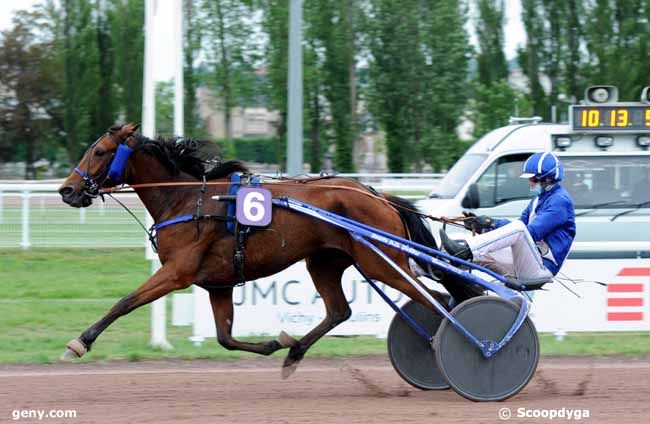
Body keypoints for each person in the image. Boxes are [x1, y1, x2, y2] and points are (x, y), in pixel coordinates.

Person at [440, 152, 576, 284]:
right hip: (529, 259)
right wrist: (486, 227)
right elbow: (516, 226)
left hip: (541, 269)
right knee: (482, 252)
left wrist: (493, 223)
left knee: (519, 230)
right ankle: (442, 264)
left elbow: (530, 233)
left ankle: (465, 250)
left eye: (533, 179)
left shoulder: (560, 201)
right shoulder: (538, 199)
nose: (530, 183)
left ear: (548, 179)